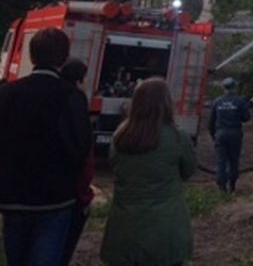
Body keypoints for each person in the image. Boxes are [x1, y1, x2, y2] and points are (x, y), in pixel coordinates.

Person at [0, 28, 91, 266]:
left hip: (14, 198)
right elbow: (81, 149)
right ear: (63, 58)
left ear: (31, 56)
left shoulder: (7, 92)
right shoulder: (73, 97)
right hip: (56, 200)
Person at [100, 78, 197, 266]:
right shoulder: (177, 136)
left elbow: (114, 167)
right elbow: (188, 170)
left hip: (123, 229)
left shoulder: (119, 137)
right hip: (167, 231)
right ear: (166, 104)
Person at [58, 58, 95, 266]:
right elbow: (84, 156)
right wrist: (83, 195)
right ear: (80, 79)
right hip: (68, 196)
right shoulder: (76, 99)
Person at [209, 76, 251, 194]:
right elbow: (246, 118)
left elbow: (211, 121)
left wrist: (214, 135)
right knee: (234, 159)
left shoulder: (217, 101)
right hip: (235, 134)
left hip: (220, 134)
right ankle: (232, 185)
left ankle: (222, 187)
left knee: (220, 161)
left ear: (223, 87)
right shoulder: (240, 101)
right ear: (234, 87)